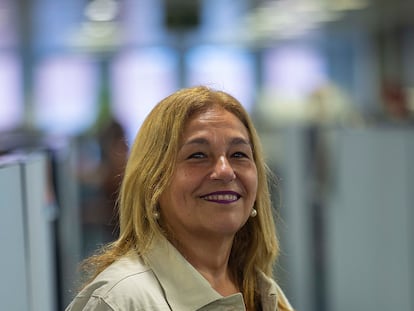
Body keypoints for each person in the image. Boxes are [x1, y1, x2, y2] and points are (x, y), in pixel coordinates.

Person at [66, 86, 294, 311]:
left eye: (238, 154)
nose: (225, 171)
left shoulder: (263, 294)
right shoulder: (119, 301)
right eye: (198, 155)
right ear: (153, 182)